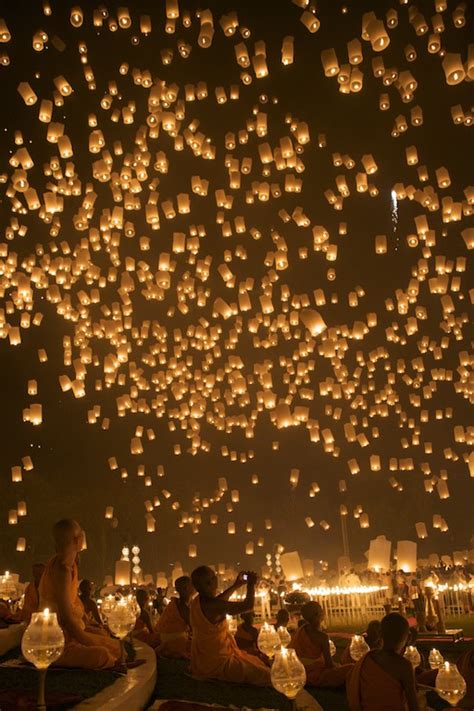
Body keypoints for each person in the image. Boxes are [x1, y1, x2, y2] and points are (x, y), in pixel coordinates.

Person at [39, 519, 122, 669]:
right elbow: (65, 618)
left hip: (70, 630)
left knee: (107, 640)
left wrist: (91, 631)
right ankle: (112, 662)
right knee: (102, 653)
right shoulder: (61, 570)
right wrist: (89, 641)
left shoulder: (70, 565)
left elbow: (73, 604)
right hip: (55, 638)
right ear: (78, 540)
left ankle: (112, 656)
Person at [189, 566, 271, 685]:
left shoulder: (198, 601)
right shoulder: (213, 605)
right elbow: (247, 606)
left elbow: (220, 601)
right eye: (214, 577)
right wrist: (251, 584)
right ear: (210, 582)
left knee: (255, 661)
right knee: (266, 675)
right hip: (218, 662)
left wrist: (236, 585)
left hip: (201, 661)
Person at [346, 612, 419, 711]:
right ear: (409, 637)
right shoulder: (404, 666)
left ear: (380, 634)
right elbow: (413, 706)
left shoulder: (368, 657)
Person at [290, 601, 354, 688]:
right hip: (316, 675)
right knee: (351, 668)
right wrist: (338, 666)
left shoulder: (301, 630)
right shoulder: (322, 637)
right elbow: (329, 665)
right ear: (318, 614)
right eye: (321, 609)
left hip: (299, 672)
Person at [154, 575, 193, 658]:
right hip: (175, 642)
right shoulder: (182, 607)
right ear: (186, 588)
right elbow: (194, 627)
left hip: (169, 638)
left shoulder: (177, 603)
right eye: (192, 585)